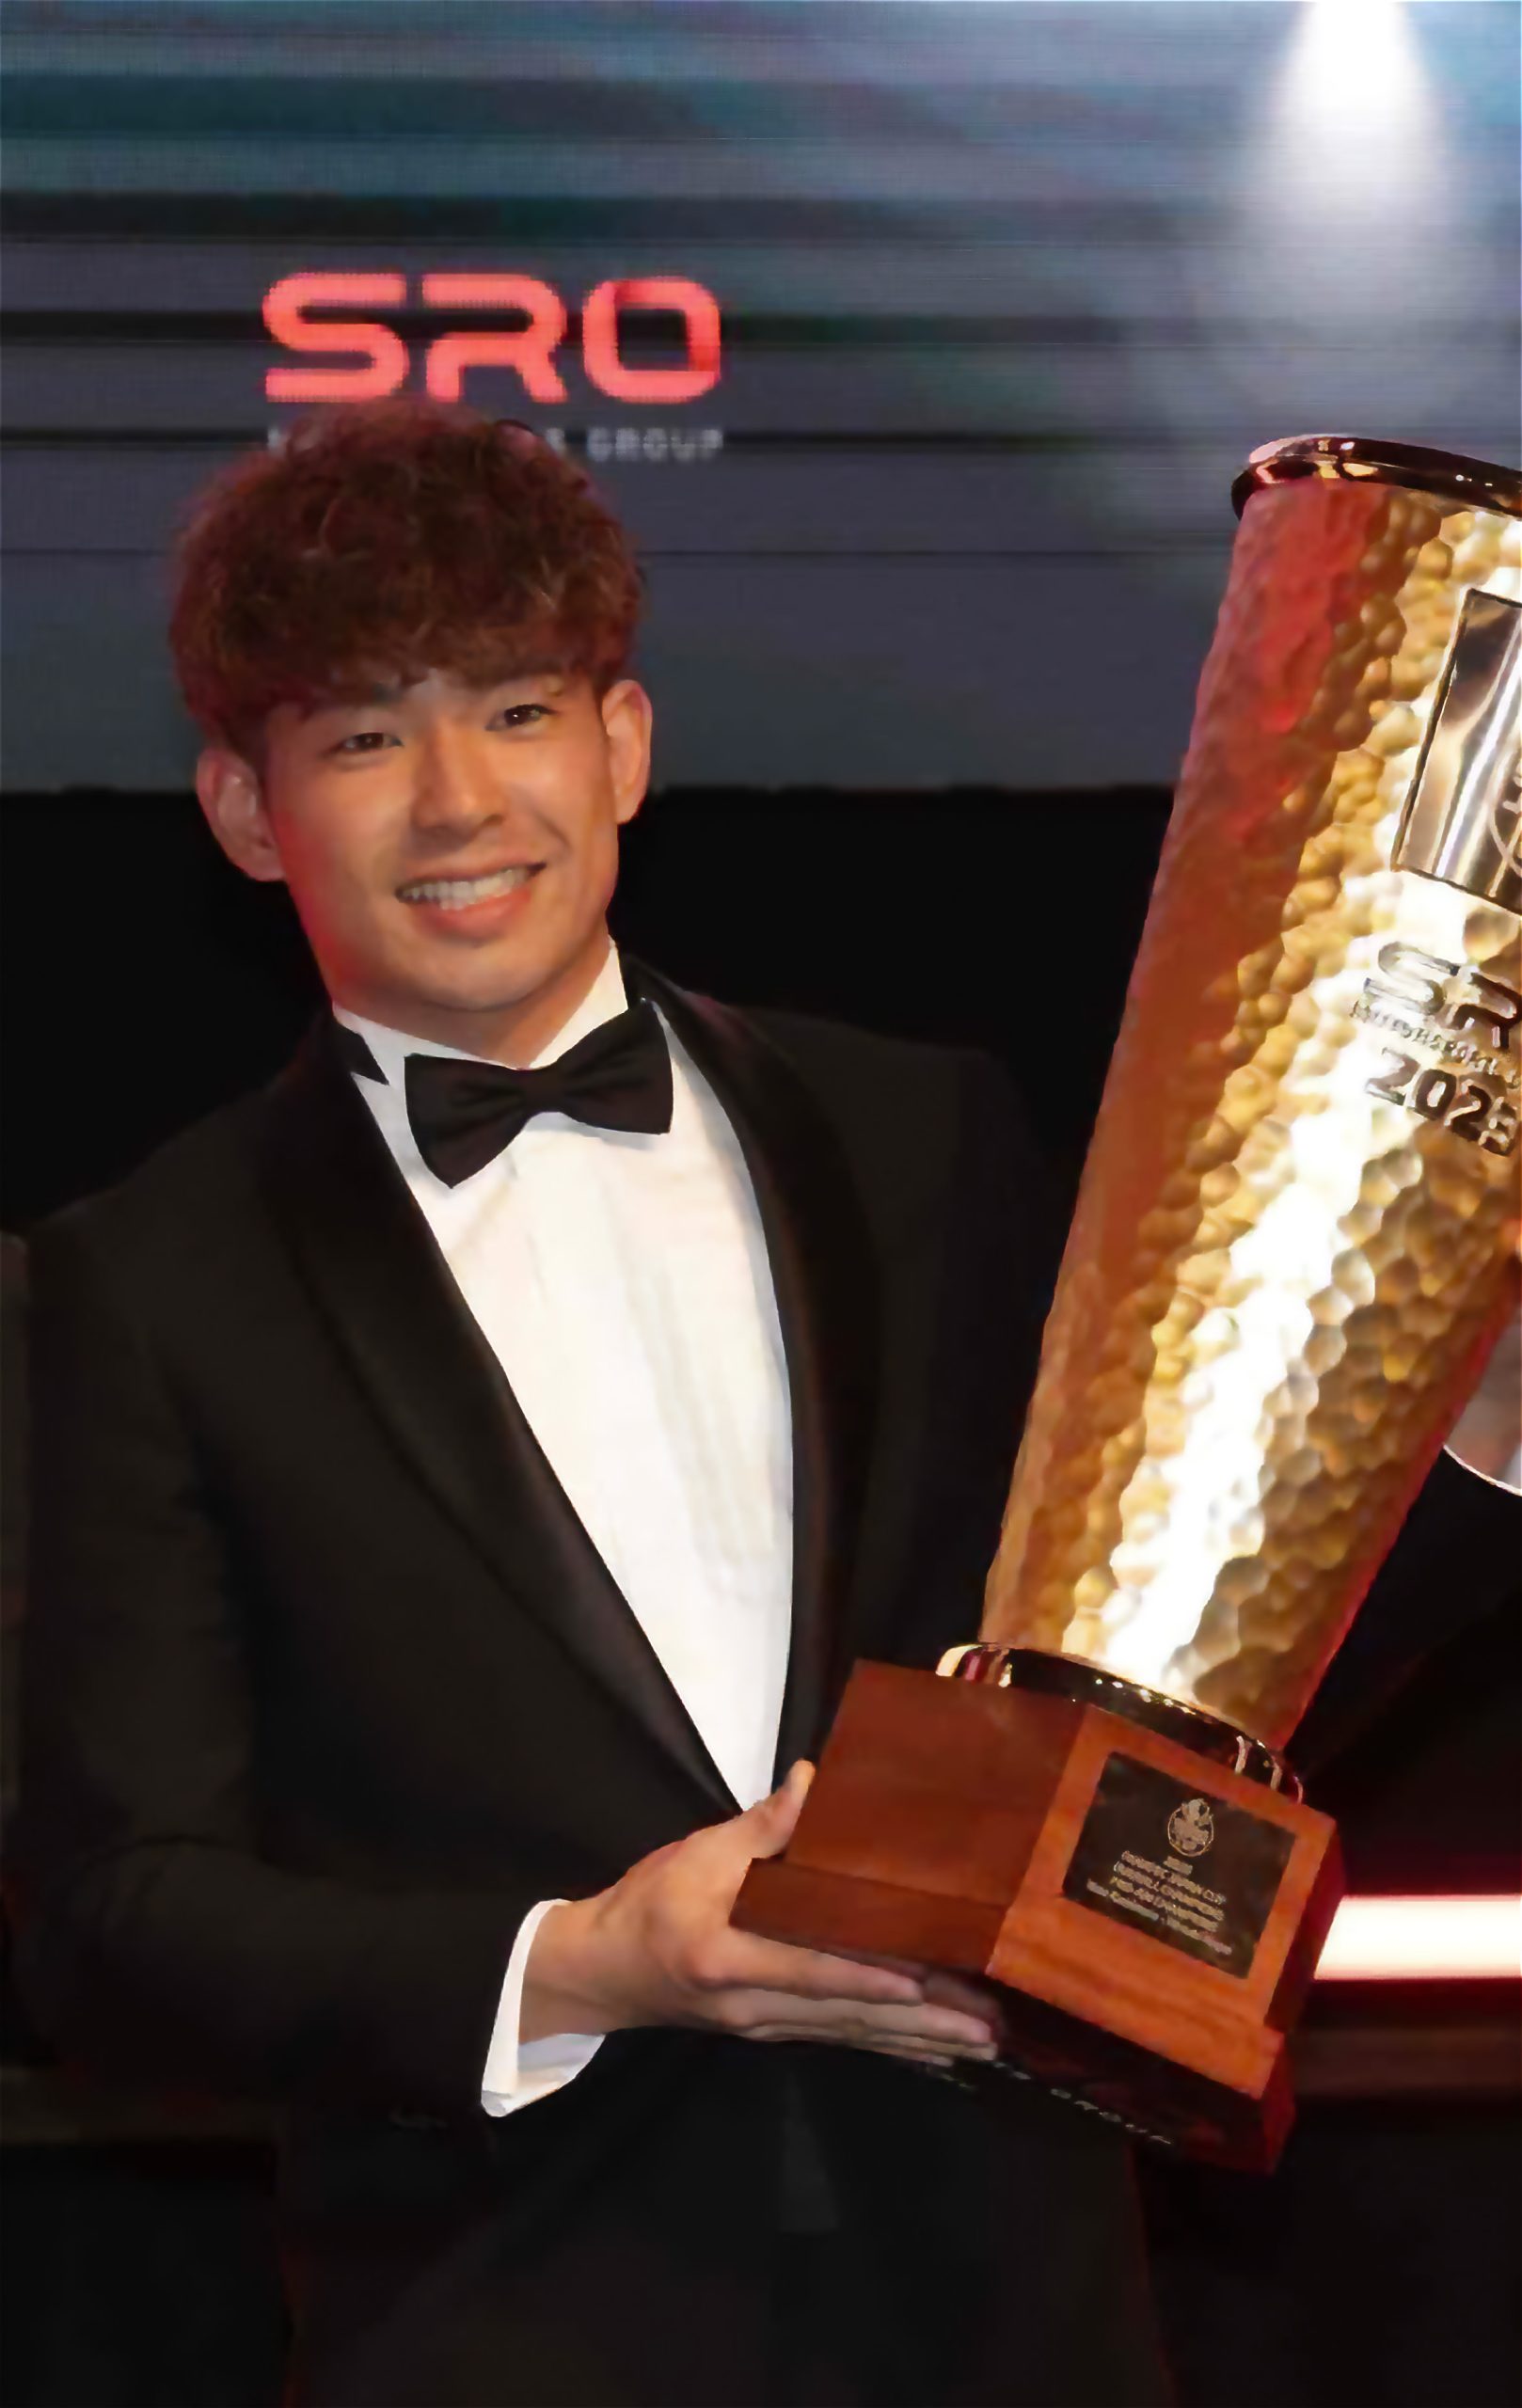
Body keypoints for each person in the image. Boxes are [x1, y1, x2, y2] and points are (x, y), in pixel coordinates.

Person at [10, 401, 1169, 2408]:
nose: (458, 800)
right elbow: (116, 1922)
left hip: (1014, 2305)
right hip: (507, 2320)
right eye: (363, 738)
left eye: (517, 710)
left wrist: (1475, 1394)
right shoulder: (149, 1281)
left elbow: (1163, 1625)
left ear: (622, 744)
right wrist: (580, 1961)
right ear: (243, 810)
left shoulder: (927, 1134)